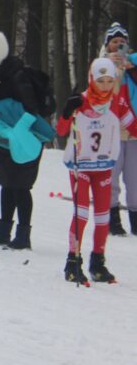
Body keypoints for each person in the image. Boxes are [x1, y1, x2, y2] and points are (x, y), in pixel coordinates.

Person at [56, 58, 137, 284]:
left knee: (102, 218)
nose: (105, 85)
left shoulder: (117, 102)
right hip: (80, 166)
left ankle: (98, 262)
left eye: (110, 81)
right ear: (92, 79)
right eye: (101, 81)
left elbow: (133, 126)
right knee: (81, 214)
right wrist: (66, 111)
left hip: (103, 167)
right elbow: (61, 130)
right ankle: (72, 261)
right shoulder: (80, 101)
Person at [0, 32, 56, 251]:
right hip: (4, 140)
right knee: (6, 184)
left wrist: (15, 132)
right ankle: (3, 231)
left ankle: (23, 234)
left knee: (21, 187)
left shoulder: (16, 77)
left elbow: (31, 109)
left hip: (25, 141)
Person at [100, 23, 137, 236]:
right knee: (111, 177)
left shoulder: (132, 64)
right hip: (111, 130)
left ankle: (134, 217)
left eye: (122, 42)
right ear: (107, 44)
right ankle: (112, 218)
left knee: (134, 179)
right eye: (115, 41)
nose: (118, 45)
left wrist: (129, 64)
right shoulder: (102, 64)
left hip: (133, 131)